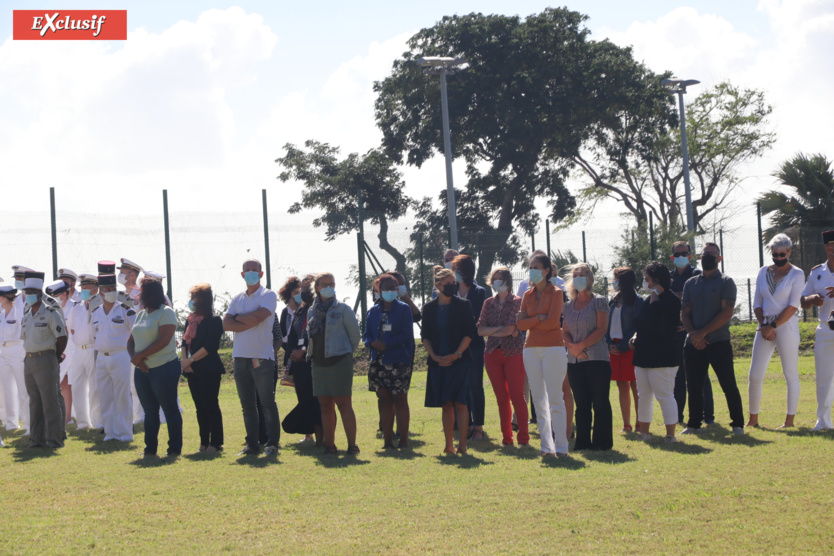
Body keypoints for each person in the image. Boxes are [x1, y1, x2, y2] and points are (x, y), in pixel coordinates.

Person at [681, 243, 745, 435]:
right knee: (693, 385)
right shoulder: (690, 283)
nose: (708, 257)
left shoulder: (727, 282)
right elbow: (684, 312)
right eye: (705, 254)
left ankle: (737, 424)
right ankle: (693, 424)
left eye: (712, 254)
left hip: (718, 342)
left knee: (728, 384)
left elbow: (727, 313)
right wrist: (694, 334)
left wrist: (703, 333)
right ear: (700, 257)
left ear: (719, 258)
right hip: (693, 343)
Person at [223, 259, 281, 456]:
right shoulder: (237, 298)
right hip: (240, 358)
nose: (250, 273)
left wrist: (238, 318)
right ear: (242, 274)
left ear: (261, 274)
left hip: (261, 358)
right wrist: (249, 319)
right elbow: (226, 324)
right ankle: (252, 444)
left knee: (266, 403)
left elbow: (259, 317)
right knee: (247, 405)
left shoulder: (268, 295)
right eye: (246, 270)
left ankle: (272, 443)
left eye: (254, 270)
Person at [747, 234, 805, 428]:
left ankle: (789, 421)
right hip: (764, 326)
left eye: (782, 254)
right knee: (755, 375)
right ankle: (753, 420)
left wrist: (772, 326)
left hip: (786, 326)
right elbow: (757, 302)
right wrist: (764, 324)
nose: (779, 258)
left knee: (790, 372)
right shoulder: (763, 271)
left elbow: (793, 306)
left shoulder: (797, 274)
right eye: (775, 254)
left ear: (789, 251)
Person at [421, 266, 477, 455]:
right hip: (438, 362)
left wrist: (457, 354)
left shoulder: (464, 305)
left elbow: (470, 333)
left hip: (459, 361)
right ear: (438, 285)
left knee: (460, 402)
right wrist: (434, 356)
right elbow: (425, 336)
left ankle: (462, 445)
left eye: (454, 283)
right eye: (448, 284)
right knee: (446, 403)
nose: (453, 286)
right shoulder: (428, 308)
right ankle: (448, 445)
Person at [307, 273, 361, 454]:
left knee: (344, 404)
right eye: (324, 284)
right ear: (317, 288)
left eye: (331, 283)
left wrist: (343, 352)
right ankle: (329, 445)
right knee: (325, 405)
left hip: (340, 363)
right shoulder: (311, 311)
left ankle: (352, 445)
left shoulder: (344, 309)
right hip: (318, 364)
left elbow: (355, 337)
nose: (328, 286)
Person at [129, 278, 182, 458]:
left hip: (164, 368)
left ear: (151, 293)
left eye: (141, 291)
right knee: (149, 412)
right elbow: (130, 341)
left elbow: (163, 340)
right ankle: (149, 449)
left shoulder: (166, 312)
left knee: (169, 409)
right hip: (142, 370)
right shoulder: (142, 314)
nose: (138, 294)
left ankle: (174, 449)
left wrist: (139, 356)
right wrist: (136, 360)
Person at [630, 262, 682, 442]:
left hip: (663, 356)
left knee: (665, 395)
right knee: (643, 395)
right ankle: (644, 433)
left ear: (656, 280)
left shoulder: (672, 300)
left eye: (647, 279)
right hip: (643, 355)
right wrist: (636, 336)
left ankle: (670, 435)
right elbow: (641, 323)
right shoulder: (648, 299)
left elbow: (663, 327)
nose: (645, 282)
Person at [564, 263, 613, 451]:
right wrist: (572, 348)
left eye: (583, 275)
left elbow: (601, 328)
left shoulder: (599, 301)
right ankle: (583, 443)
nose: (578, 278)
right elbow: (565, 332)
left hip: (597, 360)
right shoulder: (567, 305)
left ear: (591, 279)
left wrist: (581, 346)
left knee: (600, 402)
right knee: (582, 405)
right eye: (575, 275)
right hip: (574, 361)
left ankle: (602, 443)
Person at [478, 268, 528, 446]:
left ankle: (523, 438)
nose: (497, 283)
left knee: (517, 396)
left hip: (514, 353)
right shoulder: (487, 303)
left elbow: (510, 328)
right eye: (494, 280)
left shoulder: (517, 301)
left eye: (500, 280)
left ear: (507, 282)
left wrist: (495, 330)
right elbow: (480, 329)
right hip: (491, 354)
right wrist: (503, 330)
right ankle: (507, 438)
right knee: (501, 399)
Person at [364, 274, 414, 449]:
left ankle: (403, 440)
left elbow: (407, 334)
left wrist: (388, 344)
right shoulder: (373, 311)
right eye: (386, 288)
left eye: (393, 288)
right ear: (379, 290)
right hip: (378, 362)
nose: (390, 291)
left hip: (399, 360)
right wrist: (372, 343)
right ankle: (387, 440)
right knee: (384, 399)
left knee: (400, 399)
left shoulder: (404, 309)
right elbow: (366, 335)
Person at [20, 271, 68, 448]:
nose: (28, 295)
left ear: (40, 294)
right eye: (27, 291)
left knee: (50, 401)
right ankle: (36, 439)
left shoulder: (49, 311)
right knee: (34, 402)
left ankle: (55, 440)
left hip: (45, 358)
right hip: (30, 360)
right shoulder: (27, 312)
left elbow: (62, 336)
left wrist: (54, 356)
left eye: (32, 291)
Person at [669, 242, 715, 426]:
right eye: (678, 254)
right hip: (674, 333)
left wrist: (671, 295)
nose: (681, 256)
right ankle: (678, 417)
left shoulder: (697, 274)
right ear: (672, 257)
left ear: (690, 255)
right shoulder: (669, 277)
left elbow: (694, 297)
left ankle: (708, 416)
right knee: (678, 377)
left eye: (685, 253)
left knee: (701, 376)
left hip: (695, 332)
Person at [91, 273, 136, 443]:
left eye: (113, 289)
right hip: (102, 357)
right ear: (101, 292)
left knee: (123, 396)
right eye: (108, 289)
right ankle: (110, 433)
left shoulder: (127, 311)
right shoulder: (95, 313)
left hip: (121, 356)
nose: (112, 292)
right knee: (105, 397)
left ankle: (125, 434)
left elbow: (135, 335)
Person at [181, 283, 225, 452]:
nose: (192, 301)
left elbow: (210, 347)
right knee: (199, 407)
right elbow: (184, 342)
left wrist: (190, 361)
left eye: (195, 298)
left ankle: (216, 443)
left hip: (209, 369)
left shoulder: (214, 321)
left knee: (210, 405)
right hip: (192, 370)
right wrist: (185, 361)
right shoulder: (190, 320)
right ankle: (204, 442)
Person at [281, 275, 322, 445]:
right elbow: (291, 336)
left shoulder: (319, 309)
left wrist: (303, 351)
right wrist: (292, 353)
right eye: (302, 289)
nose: (304, 292)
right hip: (298, 365)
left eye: (307, 288)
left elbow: (317, 335)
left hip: (314, 362)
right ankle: (309, 434)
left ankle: (323, 439)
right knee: (304, 399)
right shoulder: (299, 311)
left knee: (317, 401)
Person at [800, 230, 834, 431]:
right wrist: (812, 300)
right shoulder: (817, 272)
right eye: (830, 245)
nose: (833, 249)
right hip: (825, 329)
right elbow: (802, 300)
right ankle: (823, 421)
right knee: (824, 377)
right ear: (826, 247)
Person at [451, 254, 487, 441]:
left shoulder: (479, 292)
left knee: (475, 386)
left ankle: (479, 428)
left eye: (457, 269)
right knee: (461, 387)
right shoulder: (450, 290)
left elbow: (477, 320)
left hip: (475, 346)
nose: (454, 273)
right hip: (456, 347)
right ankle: (468, 424)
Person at [606, 267, 643, 432]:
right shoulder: (613, 301)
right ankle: (626, 424)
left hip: (631, 348)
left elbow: (637, 326)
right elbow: (606, 324)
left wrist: (622, 346)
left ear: (623, 280)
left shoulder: (638, 301)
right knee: (622, 385)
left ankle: (640, 423)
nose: (613, 281)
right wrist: (609, 344)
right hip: (613, 348)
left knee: (636, 386)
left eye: (615, 278)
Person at [64, 275, 96, 430]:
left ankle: (97, 421)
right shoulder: (76, 308)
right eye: (83, 287)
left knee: (95, 387)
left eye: (88, 287)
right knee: (77, 386)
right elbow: (69, 328)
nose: (84, 290)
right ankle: (83, 422)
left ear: (96, 288)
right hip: (78, 350)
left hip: (93, 349)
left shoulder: (100, 306)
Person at [46, 280, 76, 425]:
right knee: (62, 383)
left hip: (74, 350)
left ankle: (69, 417)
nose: (55, 298)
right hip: (60, 350)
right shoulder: (52, 309)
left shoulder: (74, 307)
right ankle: (63, 416)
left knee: (71, 384)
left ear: (65, 293)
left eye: (57, 295)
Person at [0, 284, 28, 433]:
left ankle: (29, 424)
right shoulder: (1, 315)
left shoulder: (19, 313)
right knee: (7, 389)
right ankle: (12, 423)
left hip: (17, 350)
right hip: (3, 351)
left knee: (23, 389)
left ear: (3, 298)